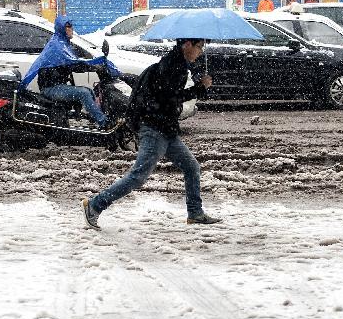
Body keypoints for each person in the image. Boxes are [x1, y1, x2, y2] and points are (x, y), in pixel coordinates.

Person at [82, 38, 222, 228]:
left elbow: (167, 97)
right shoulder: (174, 66)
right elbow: (169, 98)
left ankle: (195, 213)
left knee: (191, 167)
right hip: (156, 129)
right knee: (137, 176)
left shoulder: (175, 63)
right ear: (187, 45)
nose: (200, 52)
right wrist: (200, 88)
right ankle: (94, 205)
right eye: (199, 47)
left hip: (165, 129)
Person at [22, 15, 117, 129]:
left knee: (89, 91)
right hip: (50, 88)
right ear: (62, 28)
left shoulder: (62, 43)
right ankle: (104, 123)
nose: (71, 29)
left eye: (71, 26)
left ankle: (96, 117)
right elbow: (72, 63)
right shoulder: (57, 46)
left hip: (57, 85)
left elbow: (72, 64)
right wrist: (92, 65)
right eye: (68, 26)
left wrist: (92, 67)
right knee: (84, 93)